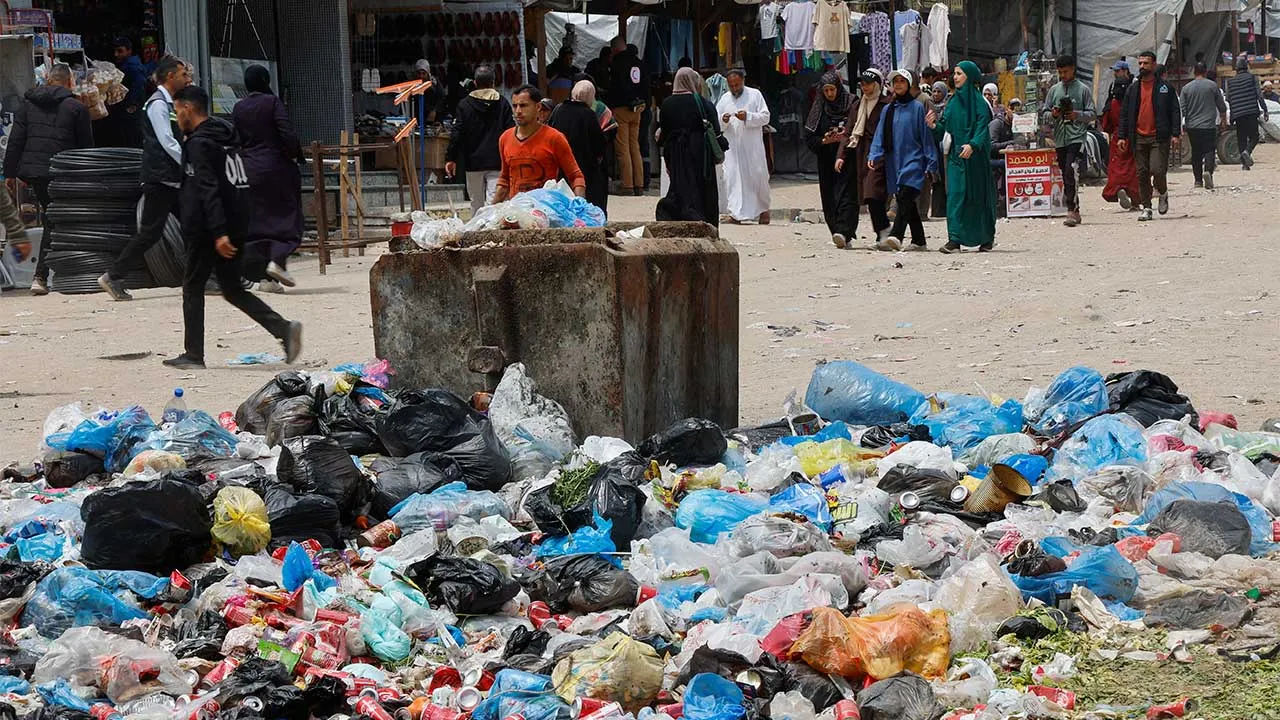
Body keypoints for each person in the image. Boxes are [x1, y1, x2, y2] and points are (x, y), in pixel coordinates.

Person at [162, 85, 301, 370]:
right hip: (235, 223)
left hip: (210, 230)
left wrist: (218, 232)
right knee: (233, 290)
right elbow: (238, 184)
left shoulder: (200, 144)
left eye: (177, 111)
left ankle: (193, 354)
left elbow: (207, 188)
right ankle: (284, 329)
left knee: (192, 287)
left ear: (188, 108)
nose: (176, 117)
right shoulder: (227, 138)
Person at [98, 56, 191, 301]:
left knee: (196, 225)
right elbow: (166, 141)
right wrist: (190, 163)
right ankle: (113, 276)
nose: (187, 78)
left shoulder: (170, 103)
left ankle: (207, 278)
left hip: (172, 178)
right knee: (150, 233)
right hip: (162, 178)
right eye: (183, 74)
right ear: (170, 76)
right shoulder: (158, 104)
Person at [2, 62, 94, 295]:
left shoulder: (27, 105)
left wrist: (10, 175)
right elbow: (86, 149)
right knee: (54, 220)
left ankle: (54, 272)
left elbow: (15, 141)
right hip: (62, 172)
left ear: (48, 80)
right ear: (70, 82)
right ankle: (42, 276)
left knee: (53, 218)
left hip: (34, 173)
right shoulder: (76, 107)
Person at [231, 65, 303, 289]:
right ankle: (278, 261)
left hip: (249, 169)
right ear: (265, 80)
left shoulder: (239, 107)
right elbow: (286, 133)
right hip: (276, 168)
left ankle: (266, 279)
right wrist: (296, 156)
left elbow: (236, 138)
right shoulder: (272, 102)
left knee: (259, 222)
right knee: (287, 217)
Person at [927, 61, 997, 253]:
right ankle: (954, 239)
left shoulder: (980, 104)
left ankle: (985, 237)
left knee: (978, 198)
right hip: (957, 159)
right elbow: (944, 128)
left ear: (970, 76)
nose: (955, 77)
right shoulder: (952, 103)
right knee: (956, 196)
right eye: (955, 74)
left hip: (976, 160)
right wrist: (933, 126)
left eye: (959, 74)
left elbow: (983, 129)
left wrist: (973, 145)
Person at [869, 69, 938, 251]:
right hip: (894, 161)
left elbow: (925, 137)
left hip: (914, 160)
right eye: (895, 81)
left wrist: (931, 161)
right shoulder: (888, 110)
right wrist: (874, 154)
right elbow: (880, 134)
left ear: (908, 84)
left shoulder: (917, 108)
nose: (898, 84)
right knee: (904, 199)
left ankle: (896, 235)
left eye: (902, 81)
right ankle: (919, 240)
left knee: (906, 195)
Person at [492, 85, 586, 203]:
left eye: (523, 105)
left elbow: (576, 176)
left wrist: (580, 206)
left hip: (547, 210)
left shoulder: (554, 138)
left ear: (538, 107)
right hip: (517, 211)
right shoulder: (505, 138)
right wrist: (489, 211)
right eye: (515, 106)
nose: (518, 111)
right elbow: (505, 179)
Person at [1118, 51, 1181, 222]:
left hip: (1158, 137)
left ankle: (1163, 192)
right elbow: (1125, 114)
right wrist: (1122, 136)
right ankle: (1146, 207)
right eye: (1140, 63)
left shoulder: (1164, 88)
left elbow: (1175, 110)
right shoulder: (1133, 89)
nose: (1142, 67)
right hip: (1138, 137)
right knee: (1142, 173)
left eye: (1145, 63)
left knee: (1158, 170)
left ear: (1153, 65)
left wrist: (1176, 134)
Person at [656, 67, 722, 225]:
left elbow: (663, 133)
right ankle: (705, 226)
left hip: (675, 154)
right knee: (702, 189)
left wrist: (668, 158)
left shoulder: (667, 104)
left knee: (679, 188)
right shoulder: (703, 103)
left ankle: (679, 226)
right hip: (700, 153)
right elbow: (716, 131)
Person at [835, 68, 891, 248]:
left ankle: (883, 231)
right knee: (851, 194)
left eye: (868, 84)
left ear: (877, 85)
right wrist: (841, 155)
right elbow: (849, 131)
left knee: (873, 193)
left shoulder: (886, 105)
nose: (865, 87)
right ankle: (845, 232)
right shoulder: (858, 105)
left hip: (877, 155)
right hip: (856, 154)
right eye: (862, 84)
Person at [445, 65, 514, 214]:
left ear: (475, 83)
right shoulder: (503, 103)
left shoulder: (464, 105)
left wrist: (450, 158)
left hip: (472, 162)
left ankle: (476, 233)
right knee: (494, 204)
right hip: (497, 161)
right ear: (493, 82)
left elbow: (457, 133)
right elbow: (511, 132)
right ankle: (492, 234)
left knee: (476, 203)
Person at [1042, 55, 1096, 227]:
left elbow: (1093, 113)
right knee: (1065, 174)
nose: (1062, 75)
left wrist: (1076, 115)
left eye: (1065, 71)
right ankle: (1075, 208)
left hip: (1077, 137)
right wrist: (1054, 114)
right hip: (1060, 139)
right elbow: (1044, 113)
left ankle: (1071, 209)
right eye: (1060, 72)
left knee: (1070, 169)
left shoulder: (1083, 90)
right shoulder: (1053, 90)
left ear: (1073, 69)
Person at [715, 69, 771, 225]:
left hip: (752, 147)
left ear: (743, 81)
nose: (734, 88)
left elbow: (766, 117)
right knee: (732, 179)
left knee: (757, 176)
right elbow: (716, 123)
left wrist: (748, 116)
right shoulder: (725, 99)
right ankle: (736, 213)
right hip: (732, 149)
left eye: (737, 85)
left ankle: (763, 210)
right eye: (731, 85)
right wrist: (724, 119)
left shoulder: (755, 95)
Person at [804, 71, 853, 245]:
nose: (830, 94)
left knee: (847, 195)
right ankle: (836, 231)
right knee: (829, 196)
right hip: (826, 160)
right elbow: (809, 137)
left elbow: (858, 127)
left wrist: (844, 138)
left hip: (848, 157)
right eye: (826, 91)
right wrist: (825, 140)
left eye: (832, 89)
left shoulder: (851, 103)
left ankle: (844, 231)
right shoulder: (819, 108)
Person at [548, 81, 608, 212]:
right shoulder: (589, 114)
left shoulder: (559, 110)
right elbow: (600, 144)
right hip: (585, 168)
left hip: (562, 167)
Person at [609, 37, 649, 196]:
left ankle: (627, 185)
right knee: (635, 146)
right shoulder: (639, 63)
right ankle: (639, 184)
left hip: (621, 108)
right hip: (637, 109)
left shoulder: (617, 63)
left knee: (623, 148)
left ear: (614, 50)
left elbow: (614, 86)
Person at [1180, 62, 1227, 190]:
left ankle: (1198, 180)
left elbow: (1182, 109)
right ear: (1205, 72)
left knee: (1196, 152)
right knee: (1209, 150)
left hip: (1193, 126)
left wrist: (1179, 127)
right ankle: (1208, 172)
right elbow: (1221, 106)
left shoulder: (1186, 88)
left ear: (1194, 72)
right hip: (1209, 125)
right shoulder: (1212, 86)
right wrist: (1223, 120)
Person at [1101, 60, 1140, 210]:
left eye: (1117, 71)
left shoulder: (1112, 105)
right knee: (1133, 168)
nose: (1115, 73)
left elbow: (1106, 125)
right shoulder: (1133, 101)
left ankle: (1118, 188)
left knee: (1116, 167)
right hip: (1133, 136)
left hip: (1117, 138)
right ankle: (1136, 200)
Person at [1226, 56, 1267, 170]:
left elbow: (1228, 98)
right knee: (1255, 136)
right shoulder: (1252, 78)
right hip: (1251, 111)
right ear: (1246, 67)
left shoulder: (1230, 81)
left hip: (1238, 114)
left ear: (1237, 69)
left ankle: (1244, 165)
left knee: (1241, 138)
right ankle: (1247, 151)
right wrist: (1265, 109)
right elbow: (1259, 95)